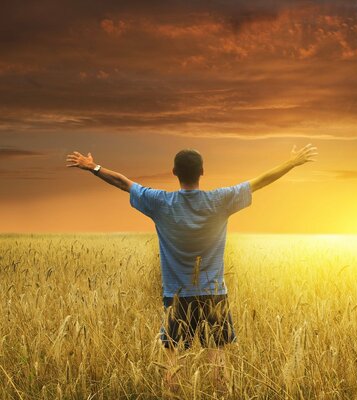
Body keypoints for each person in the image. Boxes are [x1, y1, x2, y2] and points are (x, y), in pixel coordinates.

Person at [65, 144, 318, 395]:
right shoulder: (219, 200)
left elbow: (123, 183)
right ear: (202, 172)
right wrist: (292, 163)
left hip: (176, 297)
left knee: (173, 364)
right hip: (214, 294)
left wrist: (93, 168)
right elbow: (260, 182)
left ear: (174, 171)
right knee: (218, 363)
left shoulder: (160, 202)